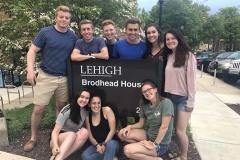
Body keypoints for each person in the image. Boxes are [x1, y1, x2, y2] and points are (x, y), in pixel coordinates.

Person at [24, 5, 78, 152]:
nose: (64, 20)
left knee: (61, 108)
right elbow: (32, 51)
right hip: (46, 76)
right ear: (56, 17)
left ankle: (56, 135)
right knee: (38, 109)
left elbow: (78, 54)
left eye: (67, 18)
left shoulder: (73, 36)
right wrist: (30, 70)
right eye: (61, 17)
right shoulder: (45, 32)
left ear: (69, 20)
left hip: (64, 78)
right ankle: (33, 137)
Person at [118, 81, 174, 160]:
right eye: (144, 92)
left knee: (127, 150)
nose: (147, 93)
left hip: (160, 144)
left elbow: (164, 127)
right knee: (121, 133)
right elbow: (141, 124)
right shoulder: (145, 106)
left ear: (155, 90)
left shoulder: (166, 103)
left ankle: (155, 159)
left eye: (149, 90)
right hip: (149, 135)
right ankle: (142, 148)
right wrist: (129, 126)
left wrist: (154, 144)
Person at [163, 29, 196, 160]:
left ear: (179, 39)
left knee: (180, 131)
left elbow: (192, 81)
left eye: (172, 38)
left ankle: (184, 156)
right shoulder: (169, 56)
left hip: (183, 98)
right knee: (173, 130)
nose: (170, 41)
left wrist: (191, 101)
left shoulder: (189, 56)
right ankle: (179, 153)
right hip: (170, 97)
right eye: (167, 39)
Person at [50, 88, 91, 160]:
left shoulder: (85, 111)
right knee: (71, 134)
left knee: (85, 132)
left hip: (72, 140)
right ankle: (58, 158)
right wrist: (55, 145)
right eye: (82, 97)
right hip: (58, 139)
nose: (84, 100)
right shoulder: (67, 110)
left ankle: (60, 157)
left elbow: (88, 128)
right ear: (77, 97)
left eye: (87, 98)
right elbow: (55, 132)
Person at [81, 92, 119, 160]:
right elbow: (90, 135)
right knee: (85, 156)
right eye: (94, 103)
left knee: (111, 145)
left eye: (99, 103)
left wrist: (105, 144)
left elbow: (113, 130)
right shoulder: (87, 116)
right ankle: (111, 157)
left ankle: (109, 155)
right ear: (89, 104)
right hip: (98, 144)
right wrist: (97, 145)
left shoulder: (107, 110)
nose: (97, 105)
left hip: (111, 142)